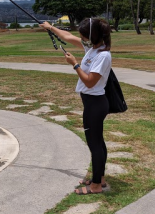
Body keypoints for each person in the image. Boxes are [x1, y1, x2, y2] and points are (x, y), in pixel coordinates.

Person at [40, 18, 113, 195]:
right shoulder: (93, 48)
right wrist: (50, 27)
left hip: (95, 104)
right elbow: (68, 36)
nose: (80, 38)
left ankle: (95, 186)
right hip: (92, 103)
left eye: (83, 35)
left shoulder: (103, 55)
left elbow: (89, 82)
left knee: (94, 145)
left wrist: (75, 64)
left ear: (91, 36)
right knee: (98, 142)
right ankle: (100, 178)